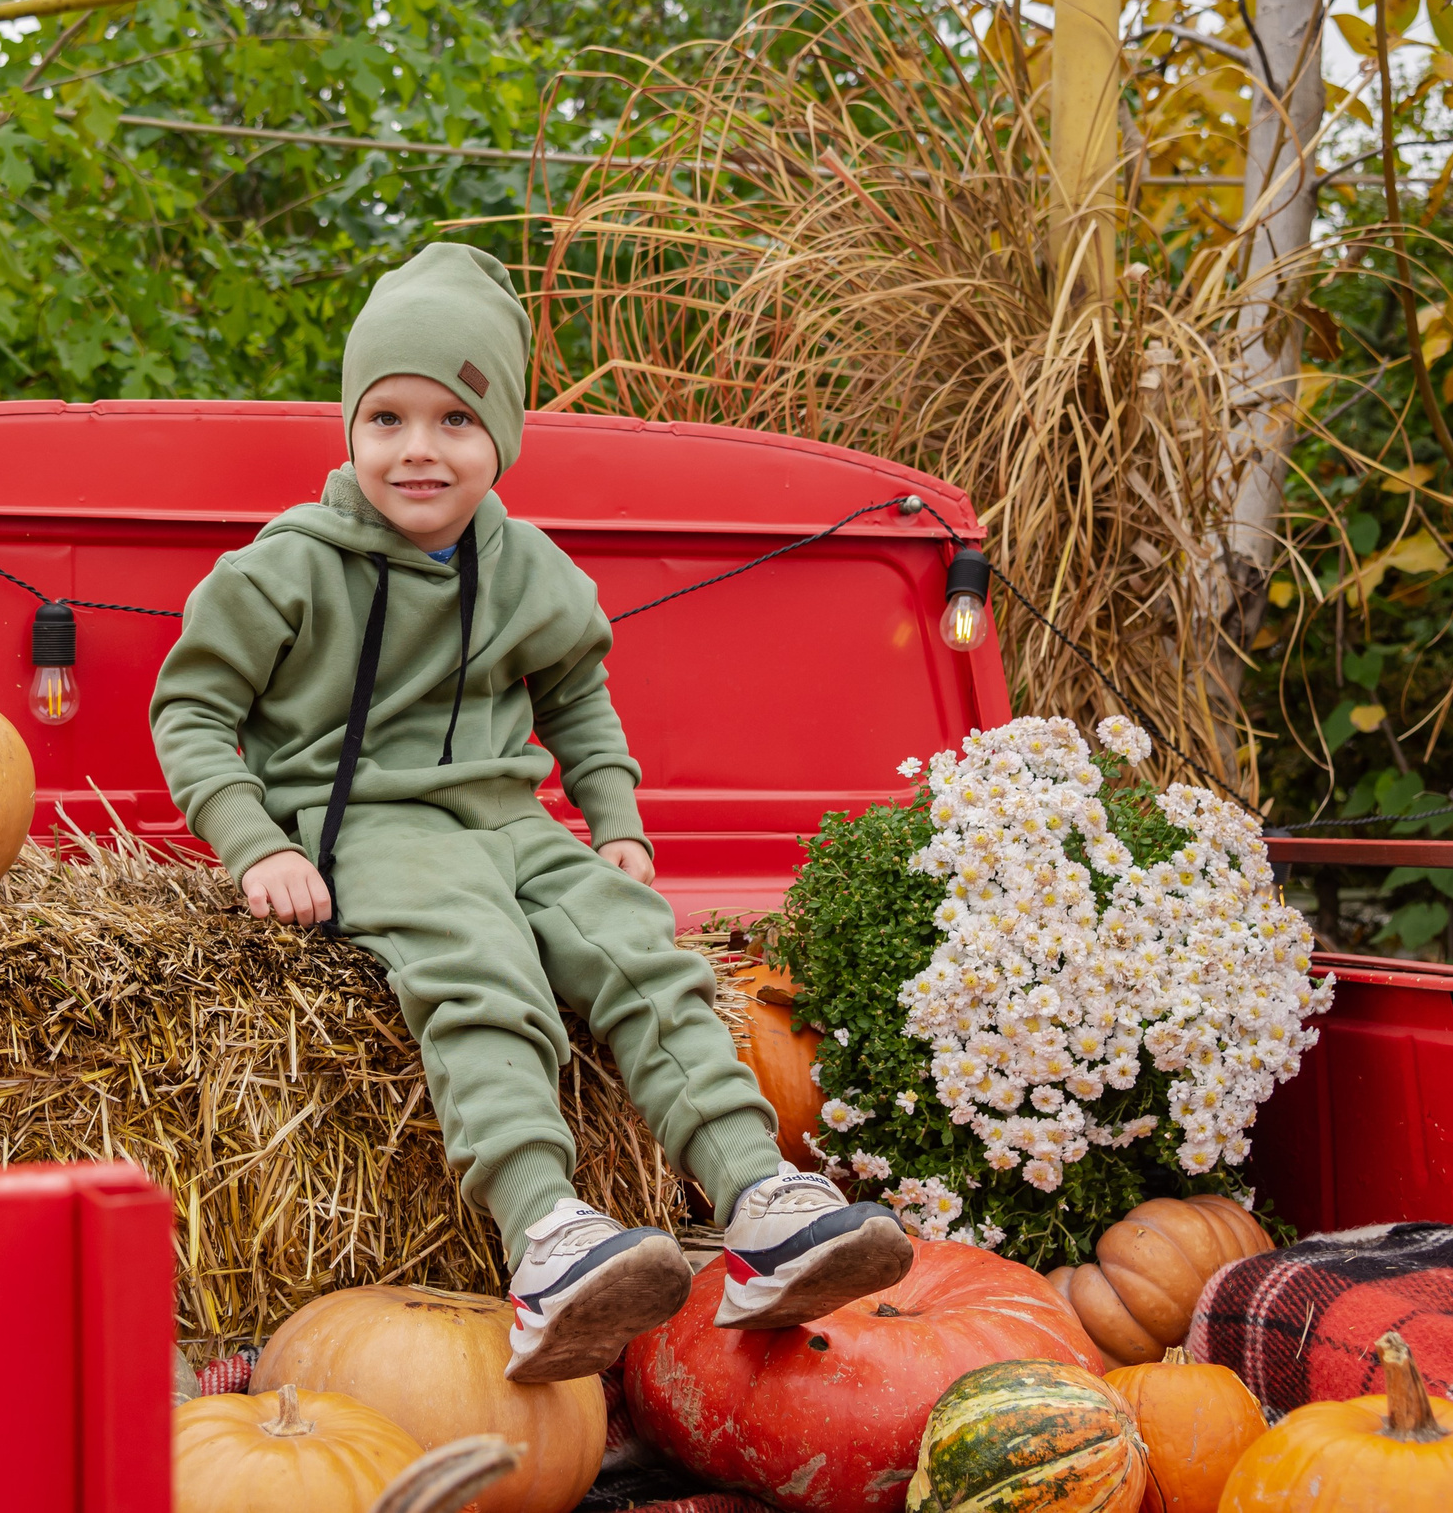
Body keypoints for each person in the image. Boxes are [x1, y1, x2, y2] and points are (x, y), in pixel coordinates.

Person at [151, 242, 912, 1382]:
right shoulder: (285, 568)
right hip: (366, 824)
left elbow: (578, 701)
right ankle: (545, 1232)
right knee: (483, 963)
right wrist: (256, 843)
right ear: (349, 429)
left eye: (456, 419)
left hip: (510, 819)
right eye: (387, 418)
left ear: (501, 437)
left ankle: (759, 1197)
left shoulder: (528, 568)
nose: (418, 448)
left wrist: (616, 821)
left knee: (638, 949)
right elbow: (190, 710)